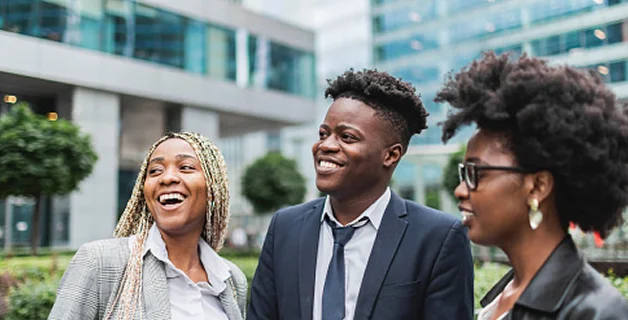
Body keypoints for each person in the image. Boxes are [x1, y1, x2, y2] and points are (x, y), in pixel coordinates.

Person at [248, 69, 474, 320]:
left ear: (391, 155)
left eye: (347, 137)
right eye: (323, 134)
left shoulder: (438, 237)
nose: (326, 145)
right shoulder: (285, 228)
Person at [437, 52, 628, 319]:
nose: (460, 189)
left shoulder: (597, 312)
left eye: (475, 172)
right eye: (462, 173)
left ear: (538, 186)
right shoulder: (499, 297)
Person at [49, 132, 247, 320]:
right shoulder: (100, 262)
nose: (167, 178)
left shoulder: (230, 280)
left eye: (186, 167)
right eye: (155, 171)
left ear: (214, 187)